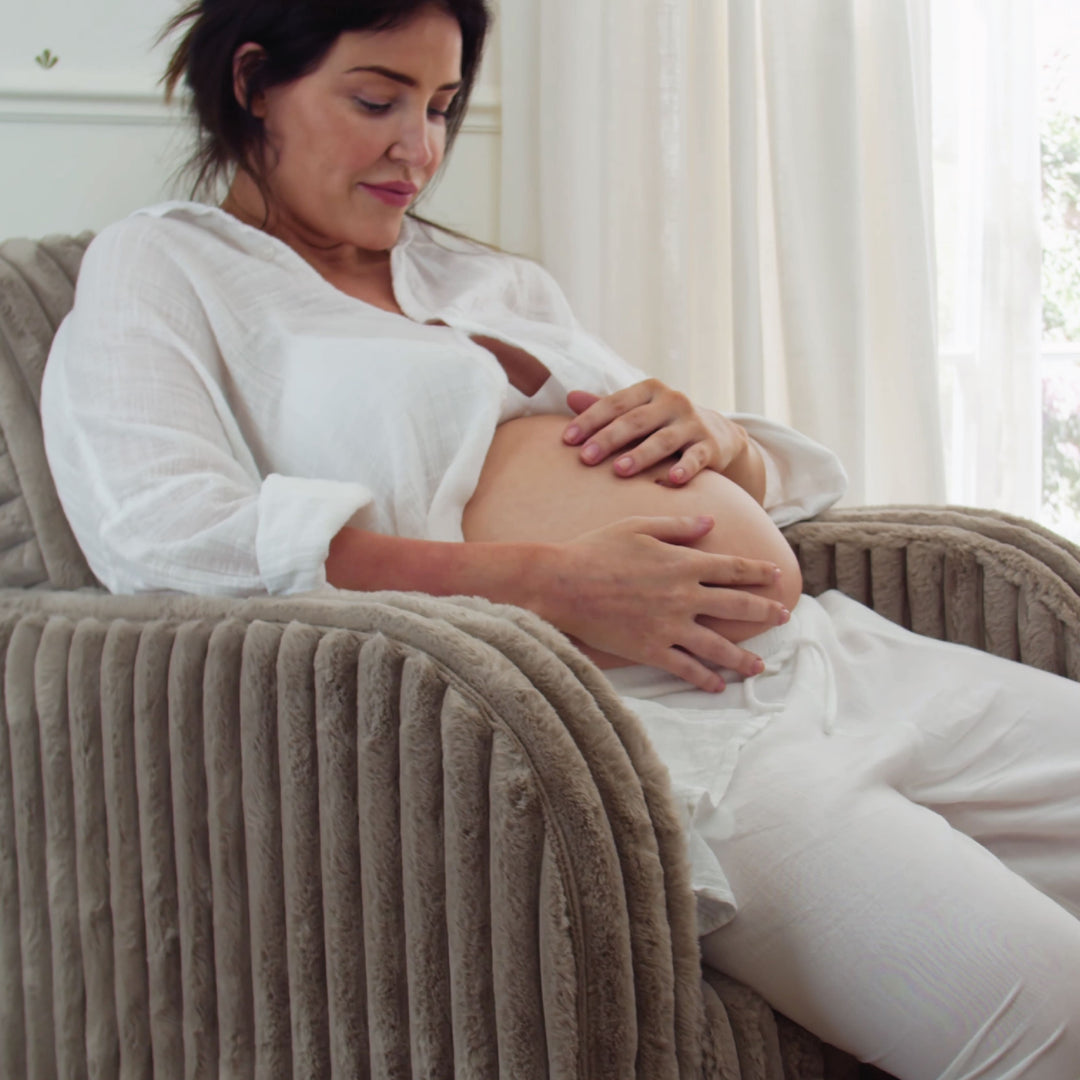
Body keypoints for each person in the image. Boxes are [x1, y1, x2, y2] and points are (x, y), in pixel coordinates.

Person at [39, 1, 1080, 1076]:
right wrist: (546, 586)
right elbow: (163, 532)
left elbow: (757, 488)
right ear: (255, 81)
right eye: (376, 99)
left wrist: (724, 441)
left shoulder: (492, 283)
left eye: (442, 106)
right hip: (674, 738)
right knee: (1057, 1023)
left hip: (833, 660)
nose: (420, 148)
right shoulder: (167, 269)